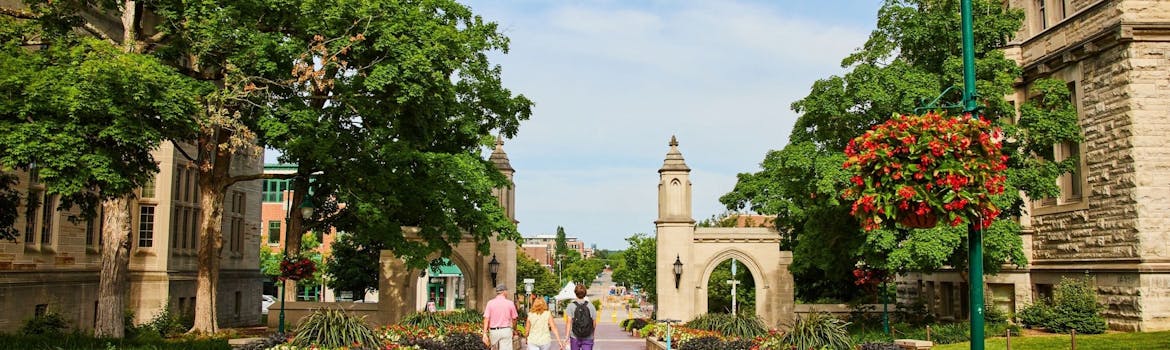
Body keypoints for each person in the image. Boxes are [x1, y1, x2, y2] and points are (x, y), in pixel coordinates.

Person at [482, 283, 518, 350]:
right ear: (504, 291)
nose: (507, 292)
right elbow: (514, 318)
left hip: (494, 331)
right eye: (506, 291)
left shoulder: (490, 303)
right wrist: (514, 329)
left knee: (494, 348)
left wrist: (484, 333)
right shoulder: (510, 303)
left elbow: (486, 319)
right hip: (506, 330)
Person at [562, 284, 597, 350]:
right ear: (585, 293)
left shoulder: (571, 306)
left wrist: (566, 337)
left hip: (575, 336)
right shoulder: (591, 306)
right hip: (588, 336)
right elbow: (594, 323)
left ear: (575, 293)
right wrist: (592, 334)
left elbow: (568, 323)